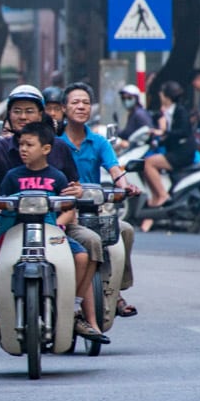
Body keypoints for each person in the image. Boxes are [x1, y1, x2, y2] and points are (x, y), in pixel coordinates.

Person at [0, 85, 104, 355]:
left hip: (56, 221)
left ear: (42, 114)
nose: (22, 116)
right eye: (16, 111)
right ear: (8, 116)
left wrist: (72, 201)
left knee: (91, 244)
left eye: (30, 111)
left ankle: (82, 316)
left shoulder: (60, 148)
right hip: (11, 223)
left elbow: (71, 189)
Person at [60, 82, 141, 318]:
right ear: (64, 108)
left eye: (85, 102)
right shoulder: (54, 142)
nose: (81, 106)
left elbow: (115, 170)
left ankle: (116, 291)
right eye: (75, 102)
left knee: (125, 230)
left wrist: (126, 187)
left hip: (93, 207)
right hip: (62, 208)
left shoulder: (99, 142)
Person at [139, 81, 194, 233]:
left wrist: (163, 132)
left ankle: (162, 195)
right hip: (173, 150)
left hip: (182, 153)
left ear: (166, 96)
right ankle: (156, 198)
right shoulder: (165, 111)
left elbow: (182, 132)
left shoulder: (180, 111)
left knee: (148, 163)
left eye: (162, 94)